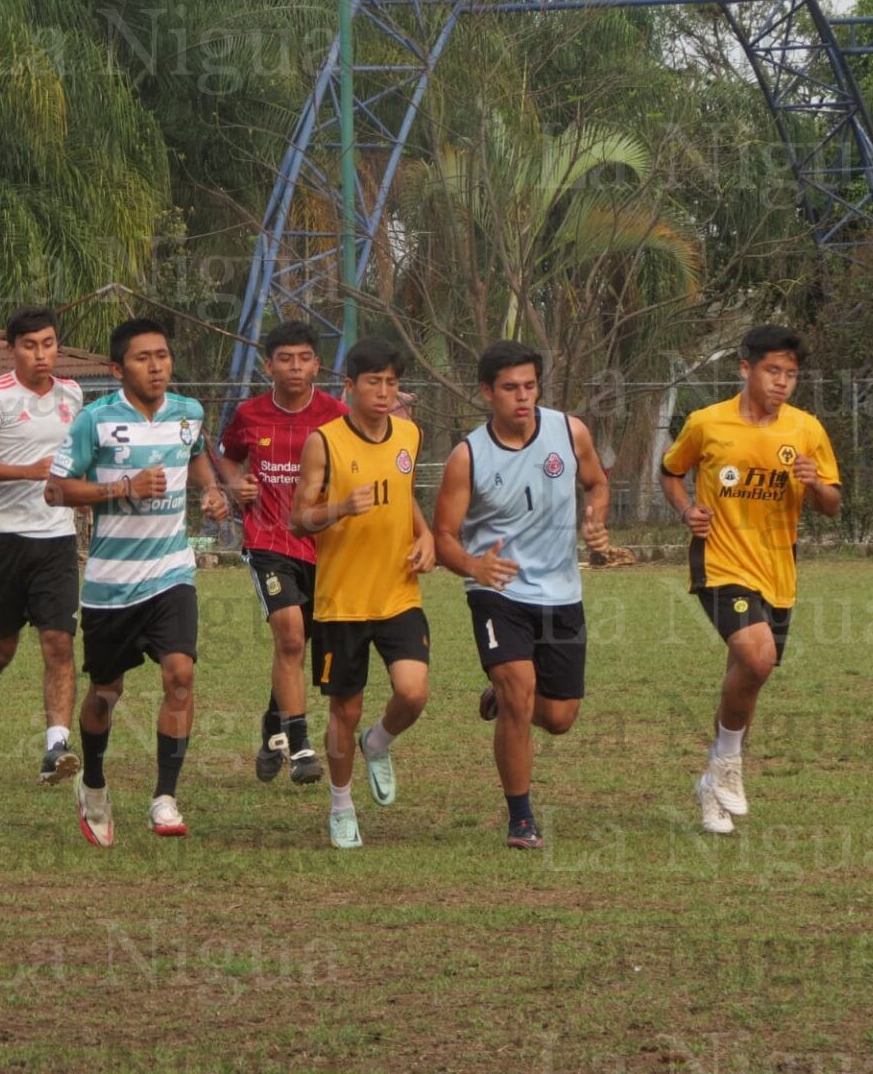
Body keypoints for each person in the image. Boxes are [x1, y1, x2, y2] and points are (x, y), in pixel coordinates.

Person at [45, 319, 228, 846]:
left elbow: (196, 462)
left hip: (172, 573)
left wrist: (212, 493)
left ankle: (164, 796)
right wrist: (122, 488)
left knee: (180, 677)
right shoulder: (94, 421)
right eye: (144, 358)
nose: (157, 366)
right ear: (117, 368)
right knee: (105, 693)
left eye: (163, 356)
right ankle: (94, 784)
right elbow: (55, 492)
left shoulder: (188, 413)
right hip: (109, 585)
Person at [659, 324, 840, 835]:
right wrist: (686, 509)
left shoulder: (806, 430)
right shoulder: (706, 423)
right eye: (773, 371)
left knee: (752, 672)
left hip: (778, 568)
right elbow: (671, 470)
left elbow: (831, 505)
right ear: (746, 369)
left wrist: (815, 484)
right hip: (719, 561)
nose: (782, 382)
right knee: (756, 655)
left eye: (791, 374)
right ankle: (729, 765)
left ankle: (712, 780)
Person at [433, 341, 609, 851]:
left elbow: (597, 484)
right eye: (510, 388)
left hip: (560, 593)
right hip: (497, 591)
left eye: (530, 386)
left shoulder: (569, 431)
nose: (523, 397)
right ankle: (522, 818)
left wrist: (596, 520)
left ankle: (507, 694)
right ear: (488, 392)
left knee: (559, 719)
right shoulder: (468, 456)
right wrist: (474, 565)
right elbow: (444, 536)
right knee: (519, 695)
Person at [289, 340, 434, 848]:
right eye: (373, 381)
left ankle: (380, 742)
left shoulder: (410, 435)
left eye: (392, 382)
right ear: (348, 386)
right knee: (343, 712)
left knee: (413, 693)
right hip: (341, 602)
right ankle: (341, 804)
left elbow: (404, 491)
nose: (384, 392)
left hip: (398, 592)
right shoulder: (323, 443)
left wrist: (427, 534)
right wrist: (340, 508)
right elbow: (298, 518)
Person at [217, 321, 349, 786]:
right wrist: (235, 484)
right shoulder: (250, 415)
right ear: (268, 365)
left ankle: (273, 723)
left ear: (317, 364)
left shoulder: (337, 415)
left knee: (298, 644)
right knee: (290, 636)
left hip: (324, 546)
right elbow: (227, 455)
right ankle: (301, 745)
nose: (295, 367)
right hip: (268, 541)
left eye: (305, 358)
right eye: (286, 359)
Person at [0, 309, 86, 784]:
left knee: (58, 641)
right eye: (31, 345)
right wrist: (30, 470)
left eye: (49, 344)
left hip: (56, 537)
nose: (41, 354)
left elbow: (78, 459)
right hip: (2, 539)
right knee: (2, 646)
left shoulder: (73, 395)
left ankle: (56, 747)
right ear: (13, 349)